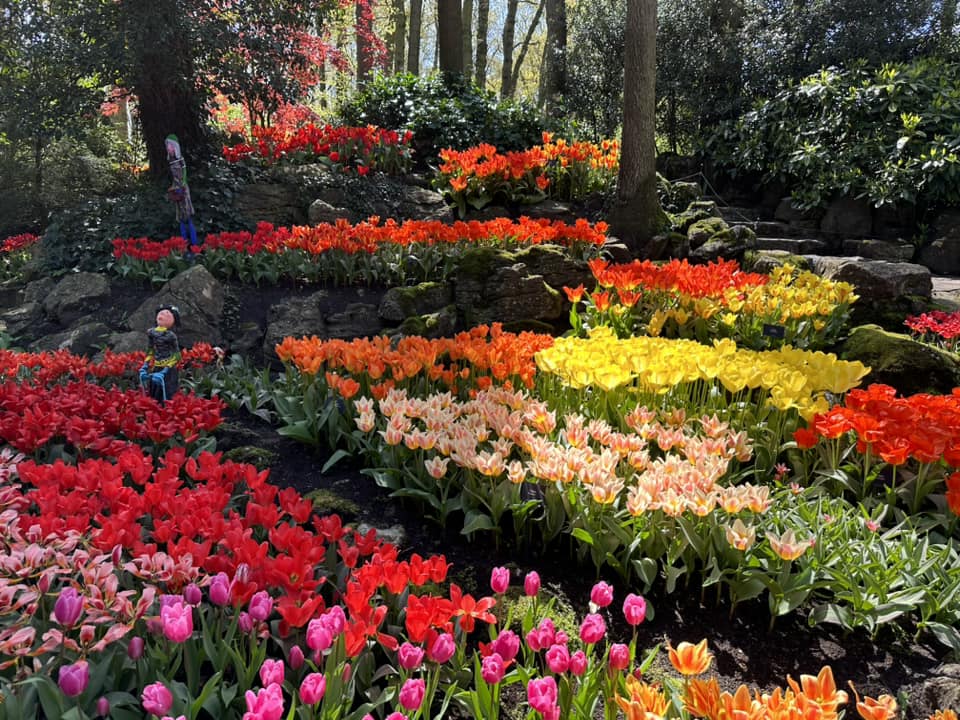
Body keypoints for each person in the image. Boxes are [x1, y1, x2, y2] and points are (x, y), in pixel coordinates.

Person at [165, 134, 200, 257]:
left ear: (175, 147)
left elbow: (184, 172)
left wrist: (183, 185)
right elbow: (174, 177)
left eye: (170, 145)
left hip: (183, 188)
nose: (169, 148)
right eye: (167, 145)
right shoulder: (170, 160)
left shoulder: (180, 160)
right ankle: (184, 246)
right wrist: (173, 187)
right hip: (176, 187)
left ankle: (194, 246)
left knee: (188, 216)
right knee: (180, 218)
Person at [140, 305, 181, 404]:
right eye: (161, 312)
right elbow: (150, 350)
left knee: (167, 393)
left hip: (168, 370)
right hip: (157, 366)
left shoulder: (171, 336)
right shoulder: (151, 332)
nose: (162, 314)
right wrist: (145, 365)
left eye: (167, 314)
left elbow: (177, 355)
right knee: (154, 393)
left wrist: (165, 370)